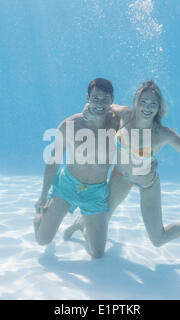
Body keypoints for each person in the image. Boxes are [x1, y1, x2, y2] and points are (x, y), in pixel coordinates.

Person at [64, 80, 180, 248]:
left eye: (153, 104)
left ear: (159, 107)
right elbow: (100, 104)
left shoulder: (162, 134)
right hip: (120, 178)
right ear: (136, 102)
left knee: (158, 239)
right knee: (100, 221)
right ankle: (78, 223)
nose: (147, 108)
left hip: (147, 183)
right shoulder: (125, 115)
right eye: (143, 102)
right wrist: (86, 112)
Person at [33, 78, 121, 258]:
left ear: (112, 100)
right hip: (67, 186)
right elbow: (53, 162)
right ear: (87, 98)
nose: (99, 104)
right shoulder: (70, 125)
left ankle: (81, 224)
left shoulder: (118, 123)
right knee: (42, 240)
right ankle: (40, 217)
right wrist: (43, 195)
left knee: (97, 254)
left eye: (105, 100)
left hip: (96, 192)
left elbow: (137, 117)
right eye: (95, 98)